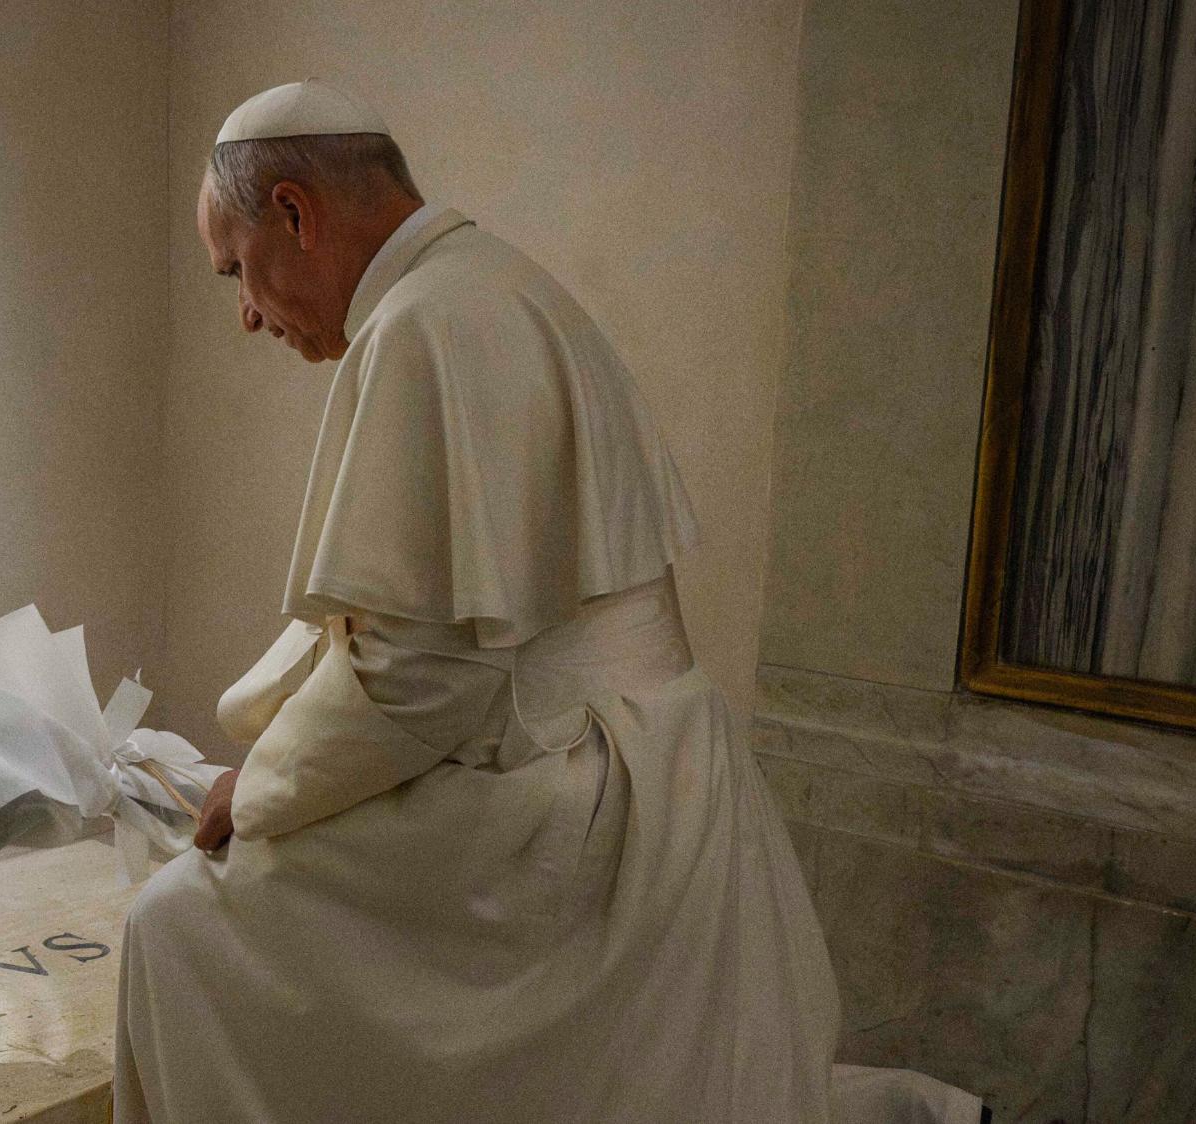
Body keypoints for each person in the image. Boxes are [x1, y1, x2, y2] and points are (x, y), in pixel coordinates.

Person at [109, 79, 984, 1123]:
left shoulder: (424, 323)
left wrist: (255, 790)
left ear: (295, 213)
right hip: (661, 772)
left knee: (177, 925)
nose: (248, 313)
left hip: (565, 802)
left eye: (237, 271)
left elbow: (421, 679)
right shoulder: (498, 283)